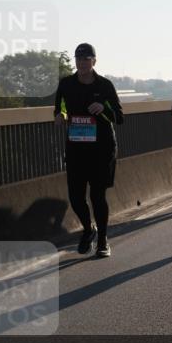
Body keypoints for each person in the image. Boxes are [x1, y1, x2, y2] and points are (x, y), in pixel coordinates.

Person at [53, 43, 123, 258]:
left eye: (86, 59)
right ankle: (88, 228)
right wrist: (61, 115)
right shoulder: (66, 84)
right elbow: (60, 107)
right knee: (75, 197)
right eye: (79, 59)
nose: (82, 63)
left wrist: (104, 108)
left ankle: (102, 240)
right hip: (76, 149)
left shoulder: (104, 85)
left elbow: (119, 116)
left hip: (102, 149)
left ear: (94, 61)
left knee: (97, 196)